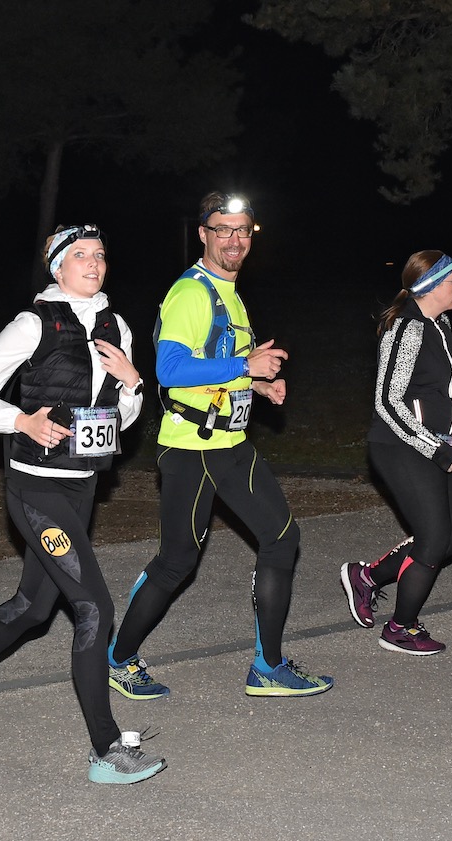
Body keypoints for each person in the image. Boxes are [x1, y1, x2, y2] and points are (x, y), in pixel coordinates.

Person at [0, 224, 166, 785]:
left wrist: (133, 385)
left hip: (82, 486)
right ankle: (107, 750)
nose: (93, 263)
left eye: (100, 255)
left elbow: (120, 420)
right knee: (93, 609)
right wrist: (20, 421)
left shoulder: (118, 326)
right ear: (58, 268)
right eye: (80, 255)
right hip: (35, 488)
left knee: (35, 608)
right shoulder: (33, 324)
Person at [106, 192, 333, 700]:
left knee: (281, 539)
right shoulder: (192, 292)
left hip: (227, 443)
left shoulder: (227, 291)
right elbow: (169, 371)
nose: (234, 239)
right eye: (223, 229)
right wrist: (244, 369)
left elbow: (217, 361)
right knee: (176, 562)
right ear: (203, 234)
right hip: (192, 448)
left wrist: (256, 385)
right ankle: (118, 659)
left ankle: (268, 666)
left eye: (243, 230)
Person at [339, 251, 452, 654]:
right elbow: (388, 403)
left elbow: (437, 391)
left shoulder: (440, 323)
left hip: (432, 441)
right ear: (433, 286)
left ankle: (366, 577)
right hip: (399, 445)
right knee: (434, 539)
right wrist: (436, 449)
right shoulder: (406, 329)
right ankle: (401, 628)